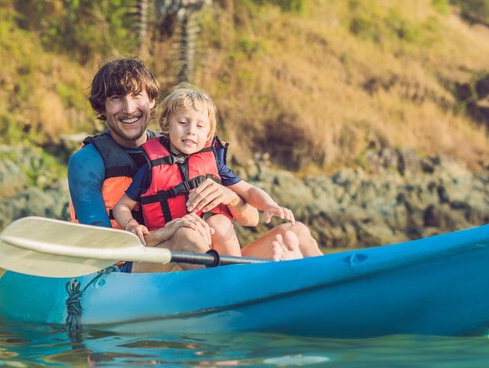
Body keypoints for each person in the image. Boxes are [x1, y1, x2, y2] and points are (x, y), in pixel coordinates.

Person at [68, 57, 322, 272]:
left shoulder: (181, 144)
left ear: (153, 101)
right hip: (125, 271)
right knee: (184, 236)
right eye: (116, 98)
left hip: (201, 264)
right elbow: (100, 247)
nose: (129, 108)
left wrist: (229, 197)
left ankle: (338, 290)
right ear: (102, 105)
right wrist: (167, 232)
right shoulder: (88, 161)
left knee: (296, 231)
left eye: (137, 96)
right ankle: (241, 298)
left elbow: (252, 219)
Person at [112, 85, 297, 259]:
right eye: (183, 122)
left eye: (200, 126)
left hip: (211, 240)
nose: (191, 131)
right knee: (191, 232)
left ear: (208, 134)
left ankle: (236, 274)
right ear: (166, 125)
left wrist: (269, 204)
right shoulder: (150, 168)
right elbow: (122, 206)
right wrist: (131, 225)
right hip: (172, 247)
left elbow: (248, 191)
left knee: (220, 222)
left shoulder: (214, 163)